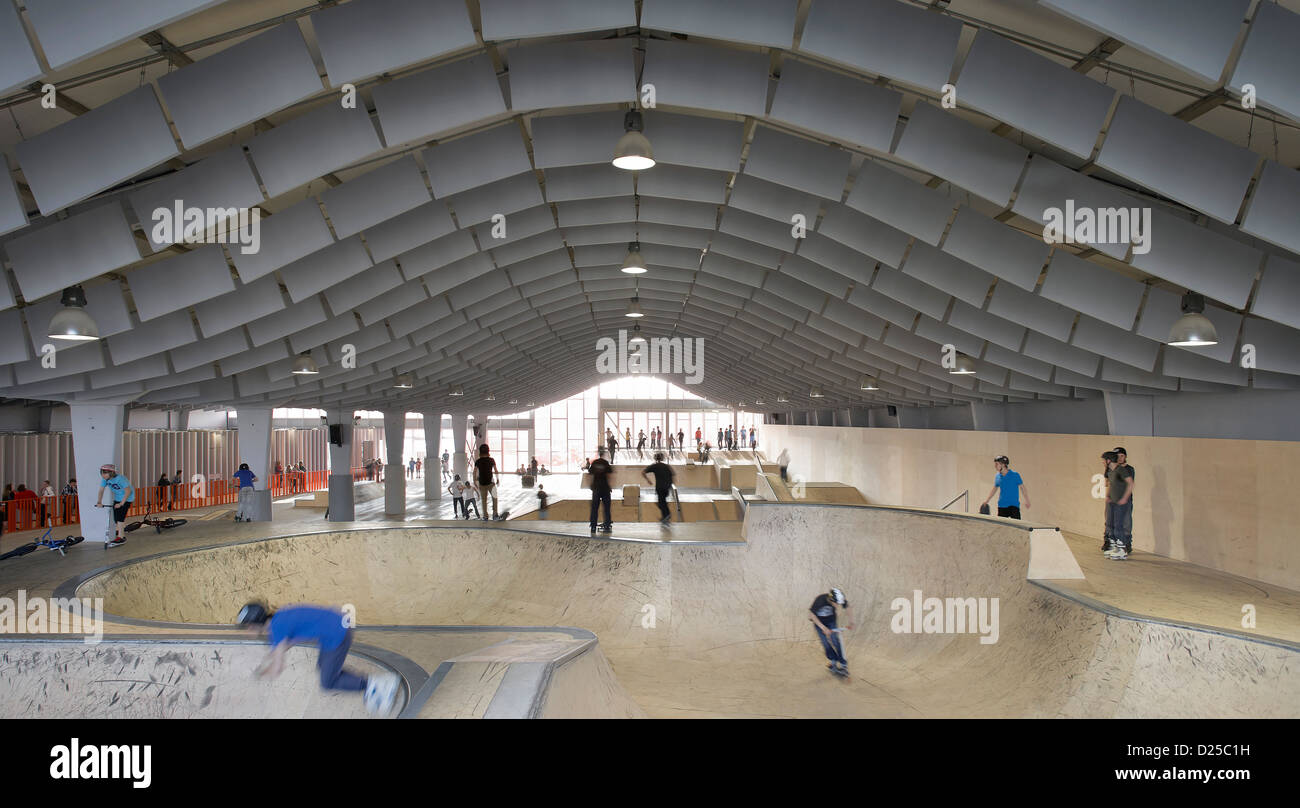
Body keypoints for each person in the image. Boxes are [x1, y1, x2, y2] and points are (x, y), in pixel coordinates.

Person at [237, 601, 399, 716]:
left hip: (337, 634)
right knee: (324, 667)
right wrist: (271, 656)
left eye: (247, 628)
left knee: (327, 682)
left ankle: (376, 684)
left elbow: (278, 669)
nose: (247, 632)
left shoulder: (277, 628)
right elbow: (288, 642)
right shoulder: (278, 620)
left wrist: (261, 675)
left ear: (253, 625)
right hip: (338, 625)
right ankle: (371, 684)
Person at [809, 588, 854, 676]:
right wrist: (823, 628)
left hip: (831, 622)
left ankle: (843, 663)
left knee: (835, 641)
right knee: (825, 643)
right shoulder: (820, 600)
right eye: (836, 603)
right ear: (831, 599)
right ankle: (833, 660)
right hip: (819, 623)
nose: (837, 606)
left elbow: (848, 607)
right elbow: (811, 615)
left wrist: (851, 621)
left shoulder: (838, 597)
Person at [1104, 447, 1136, 560]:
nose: (1120, 458)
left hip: (1123, 501)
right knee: (1111, 522)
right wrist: (1108, 496)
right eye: (1117, 456)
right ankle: (1113, 543)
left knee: (1124, 523)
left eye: (1122, 455)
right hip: (1114, 500)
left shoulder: (1126, 469)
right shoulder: (1112, 470)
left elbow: (1130, 483)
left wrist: (1124, 498)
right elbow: (1109, 484)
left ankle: (1125, 545)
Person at [94, 464, 134, 546]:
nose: (103, 475)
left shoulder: (120, 479)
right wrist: (99, 502)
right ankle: (121, 534)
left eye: (105, 473)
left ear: (111, 473)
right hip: (118, 498)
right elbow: (101, 490)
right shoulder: (105, 479)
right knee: (116, 518)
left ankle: (121, 537)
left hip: (127, 498)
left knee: (120, 517)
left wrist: (121, 503)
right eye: (102, 473)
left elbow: (128, 491)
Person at [642, 452, 676, 525]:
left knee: (661, 502)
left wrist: (648, 480)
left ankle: (667, 515)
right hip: (667, 487)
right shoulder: (667, 466)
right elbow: (673, 475)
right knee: (662, 502)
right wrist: (671, 484)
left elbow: (643, 472)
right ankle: (665, 516)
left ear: (655, 458)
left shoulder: (655, 466)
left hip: (660, 487)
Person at [588, 447, 614, 534]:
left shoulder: (594, 463)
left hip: (596, 488)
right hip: (605, 488)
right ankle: (607, 525)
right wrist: (610, 486)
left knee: (594, 508)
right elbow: (609, 476)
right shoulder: (605, 463)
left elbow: (590, 475)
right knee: (606, 508)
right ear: (603, 454)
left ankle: (593, 526)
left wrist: (591, 485)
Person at [474, 444, 500, 520]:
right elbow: (496, 470)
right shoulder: (491, 460)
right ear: (488, 451)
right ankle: (495, 514)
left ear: (480, 452)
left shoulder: (478, 461)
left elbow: (474, 472)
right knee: (495, 498)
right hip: (491, 483)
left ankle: (485, 516)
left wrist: (475, 481)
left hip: (482, 484)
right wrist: (498, 479)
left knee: (484, 501)